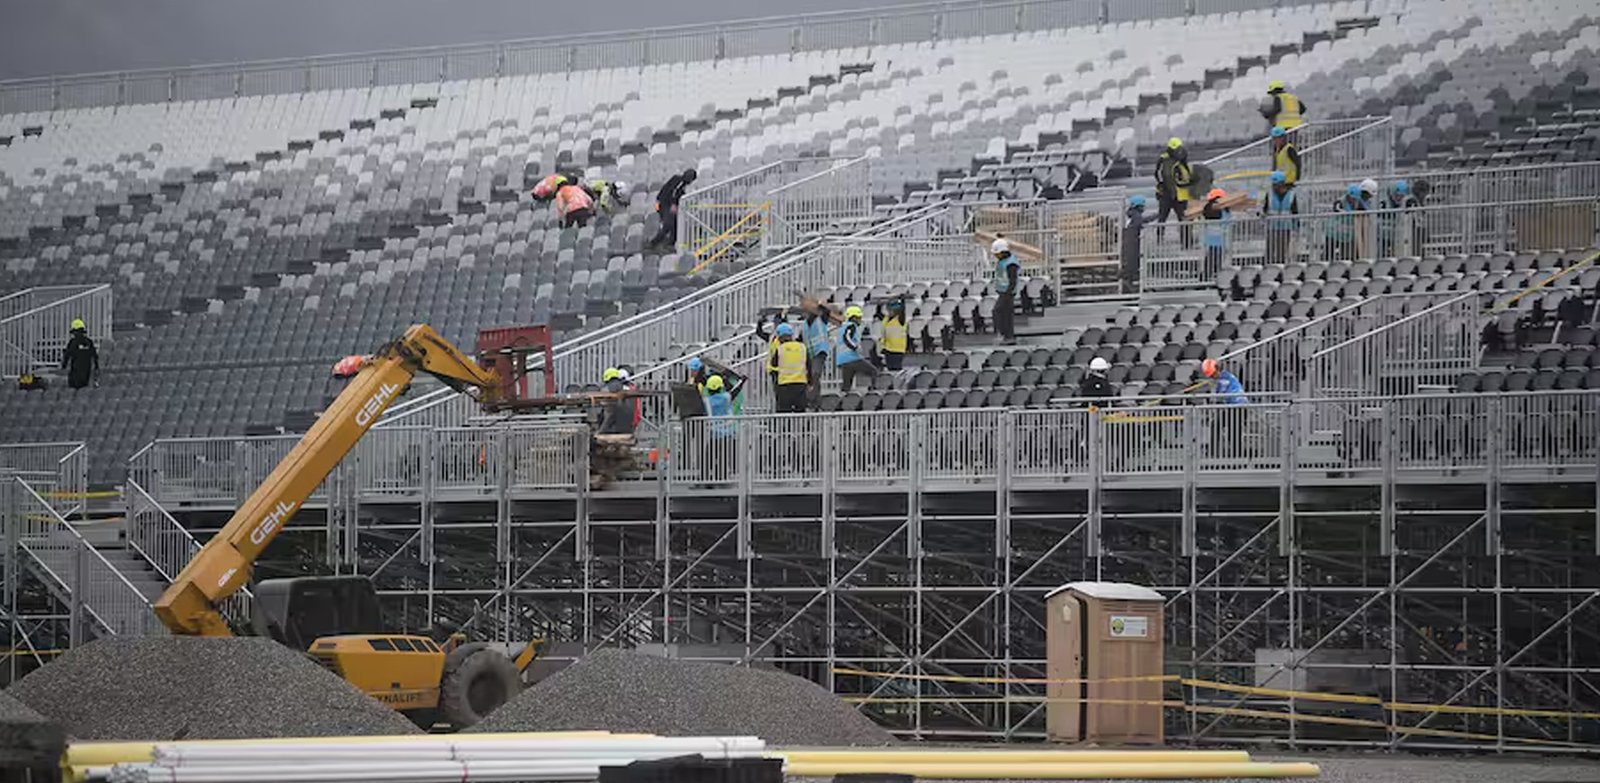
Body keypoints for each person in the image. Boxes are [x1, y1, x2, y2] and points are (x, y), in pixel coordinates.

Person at [1154, 138, 1195, 248]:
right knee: (1162, 218)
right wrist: (1162, 186)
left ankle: (1187, 242)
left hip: (1179, 195)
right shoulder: (1164, 160)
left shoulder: (1181, 160)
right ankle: (1160, 240)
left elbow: (1186, 177)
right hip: (1166, 194)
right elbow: (1159, 175)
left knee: (1184, 219)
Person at [648, 168, 698, 250]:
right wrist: (674, 204)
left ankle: (669, 244)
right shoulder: (680, 182)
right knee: (668, 224)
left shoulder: (678, 181)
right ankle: (654, 243)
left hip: (665, 203)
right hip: (666, 204)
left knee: (675, 225)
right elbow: (673, 192)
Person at [1324, 183, 1371, 261]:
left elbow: (1366, 211)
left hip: (1348, 236)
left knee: (1348, 256)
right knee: (1328, 254)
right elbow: (1339, 210)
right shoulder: (1339, 202)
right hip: (1333, 232)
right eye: (1352, 198)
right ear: (1348, 196)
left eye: (1355, 199)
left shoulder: (1359, 203)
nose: (1353, 200)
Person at [835, 305, 877, 392]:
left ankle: (843, 402)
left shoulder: (842, 327)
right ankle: (874, 393)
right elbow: (846, 337)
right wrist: (855, 347)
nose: (860, 320)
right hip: (852, 358)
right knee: (874, 371)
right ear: (853, 318)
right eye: (859, 317)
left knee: (846, 386)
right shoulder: (851, 326)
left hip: (842, 360)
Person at [1262, 171, 1299, 265]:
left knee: (1281, 252)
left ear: (1282, 183)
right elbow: (1265, 209)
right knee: (1269, 251)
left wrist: (1296, 228)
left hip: (1285, 227)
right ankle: (1268, 269)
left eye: (1276, 184)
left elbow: (1295, 212)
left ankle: (1279, 270)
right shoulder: (1269, 194)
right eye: (1273, 184)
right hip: (1271, 227)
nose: (1274, 187)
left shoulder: (1291, 195)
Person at [1378, 179, 1421, 257]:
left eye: (1402, 196)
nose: (1399, 198)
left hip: (1400, 237)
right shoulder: (1383, 204)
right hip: (1385, 236)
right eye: (1397, 196)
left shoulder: (1408, 203)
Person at [772, 324, 809, 413]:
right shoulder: (802, 347)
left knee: (784, 413)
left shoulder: (780, 349)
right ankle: (802, 427)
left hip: (784, 385)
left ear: (780, 337)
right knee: (800, 412)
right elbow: (809, 365)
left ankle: (785, 427)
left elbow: (773, 363)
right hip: (801, 383)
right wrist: (810, 382)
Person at [991, 238, 1022, 345]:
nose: (996, 256)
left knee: (999, 311)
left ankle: (1005, 334)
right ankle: (1007, 336)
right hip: (1002, 291)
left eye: (998, 253)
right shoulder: (1002, 261)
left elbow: (1012, 280)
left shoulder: (1011, 264)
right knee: (1005, 314)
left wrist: (1008, 292)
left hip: (1008, 293)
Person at [803, 303, 832, 407]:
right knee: (810, 378)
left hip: (820, 351)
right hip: (810, 353)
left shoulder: (821, 319)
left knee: (815, 374)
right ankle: (815, 400)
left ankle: (812, 400)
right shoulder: (804, 325)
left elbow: (827, 312)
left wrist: (820, 306)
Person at [1199, 188, 1232, 279]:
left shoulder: (1209, 209)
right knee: (1216, 261)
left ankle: (1207, 276)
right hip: (1219, 240)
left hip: (1212, 240)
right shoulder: (1222, 210)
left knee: (1211, 260)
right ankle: (1212, 277)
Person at [1121, 195, 1148, 294]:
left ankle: (1128, 281)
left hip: (1130, 241)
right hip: (1131, 242)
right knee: (1132, 263)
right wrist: (1156, 216)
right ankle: (1125, 279)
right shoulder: (1136, 215)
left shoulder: (1132, 214)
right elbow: (1140, 222)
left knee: (1132, 263)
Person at [62, 318, 99, 390]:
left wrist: (64, 366)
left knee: (74, 388)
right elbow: (94, 356)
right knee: (84, 388)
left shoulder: (73, 342)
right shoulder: (89, 342)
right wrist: (96, 367)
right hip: (86, 371)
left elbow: (67, 355)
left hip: (76, 370)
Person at [598, 367, 636, 435]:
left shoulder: (607, 390)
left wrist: (600, 431)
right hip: (628, 428)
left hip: (612, 429)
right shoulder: (627, 389)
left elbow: (610, 415)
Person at [879, 300, 908, 372]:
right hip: (888, 348)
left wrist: (902, 301)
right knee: (890, 368)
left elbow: (903, 311)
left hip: (898, 349)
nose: (889, 312)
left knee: (896, 369)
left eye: (891, 310)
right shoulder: (886, 319)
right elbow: (879, 314)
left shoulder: (901, 320)